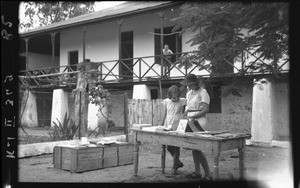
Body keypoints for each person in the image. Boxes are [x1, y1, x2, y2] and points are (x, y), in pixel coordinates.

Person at [180, 74, 212, 180]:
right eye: (187, 84)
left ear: (194, 83)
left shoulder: (203, 92)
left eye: (190, 84)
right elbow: (188, 108)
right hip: (190, 120)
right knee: (193, 147)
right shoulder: (189, 93)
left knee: (197, 148)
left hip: (199, 121)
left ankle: (208, 174)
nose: (188, 86)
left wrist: (194, 117)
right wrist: (185, 115)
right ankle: (197, 172)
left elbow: (205, 109)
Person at [161, 85, 186, 175]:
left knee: (176, 147)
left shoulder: (182, 101)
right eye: (173, 97)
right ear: (170, 96)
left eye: (177, 97)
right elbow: (165, 113)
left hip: (177, 125)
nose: (175, 98)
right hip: (168, 125)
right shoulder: (167, 102)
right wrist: (161, 124)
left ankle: (174, 168)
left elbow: (183, 113)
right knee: (169, 147)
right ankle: (178, 162)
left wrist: (183, 123)